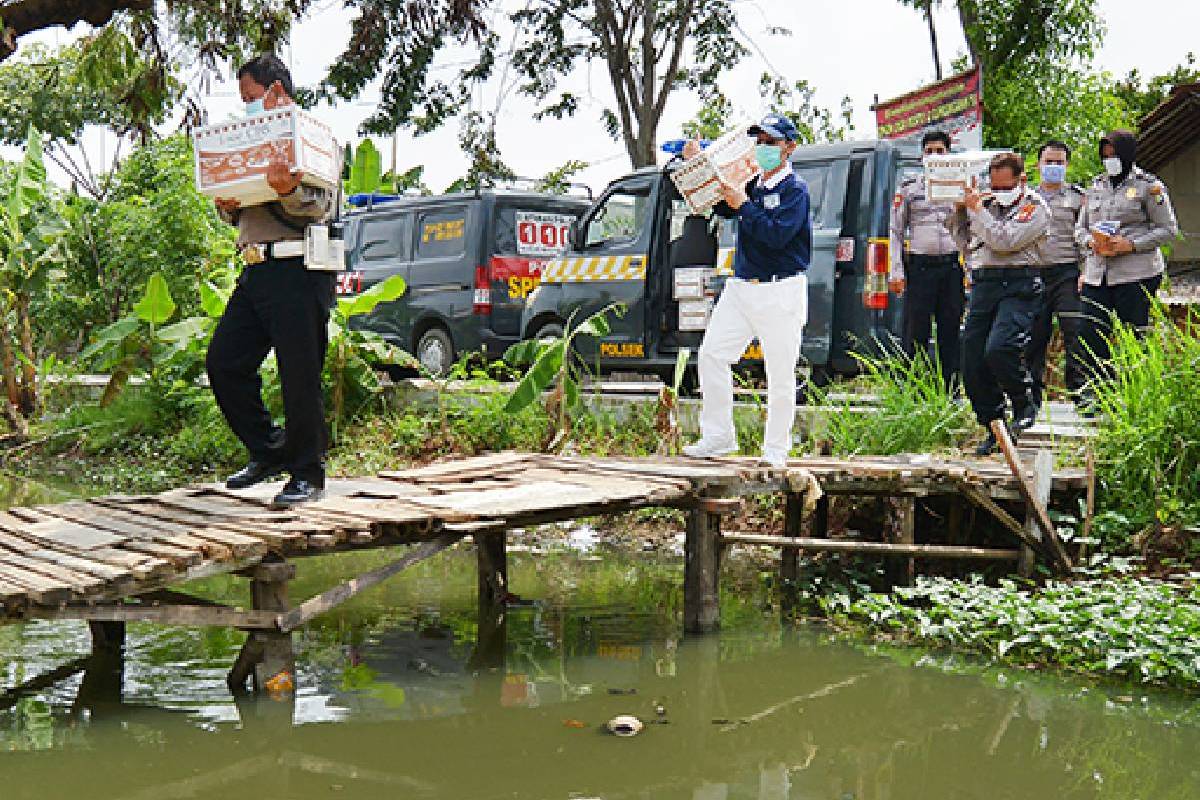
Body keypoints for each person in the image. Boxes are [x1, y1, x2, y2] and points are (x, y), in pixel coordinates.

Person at [205, 54, 337, 507]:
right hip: (256, 270)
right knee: (225, 363)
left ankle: (308, 474)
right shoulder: (247, 141)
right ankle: (269, 451)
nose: (247, 109)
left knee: (299, 375)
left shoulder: (313, 138)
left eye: (251, 99)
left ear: (277, 91)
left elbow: (321, 206)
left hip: (299, 269)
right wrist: (225, 203)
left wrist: (288, 190)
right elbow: (240, 212)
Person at [682, 113, 812, 469]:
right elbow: (722, 204)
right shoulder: (752, 183)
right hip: (742, 287)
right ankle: (718, 435)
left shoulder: (794, 191)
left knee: (780, 373)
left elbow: (776, 235)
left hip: (780, 289)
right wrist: (700, 165)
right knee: (712, 354)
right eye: (760, 141)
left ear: (789, 148)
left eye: (771, 142)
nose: (764, 148)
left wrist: (745, 206)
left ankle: (775, 450)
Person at [946, 152, 1050, 456]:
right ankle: (993, 424)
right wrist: (961, 212)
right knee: (971, 357)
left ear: (1022, 180)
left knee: (1001, 347)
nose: (1000, 193)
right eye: (996, 186)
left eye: (1007, 187)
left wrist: (977, 210)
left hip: (1019, 283)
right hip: (985, 282)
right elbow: (965, 242)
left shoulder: (1035, 207)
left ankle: (1023, 400)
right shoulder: (985, 204)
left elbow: (1004, 241)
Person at [1074, 130, 1178, 398]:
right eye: (1105, 156)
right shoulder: (1095, 186)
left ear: (1128, 154)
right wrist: (1090, 243)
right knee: (1089, 332)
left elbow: (1167, 230)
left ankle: (1135, 395)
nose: (1110, 160)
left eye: (1115, 155)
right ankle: (1098, 394)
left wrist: (1131, 244)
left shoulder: (1149, 186)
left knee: (1134, 336)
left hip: (1136, 274)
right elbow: (1080, 229)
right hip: (1098, 274)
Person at [889, 130, 963, 386]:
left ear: (949, 155)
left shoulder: (962, 187)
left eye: (939, 152)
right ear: (922, 156)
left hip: (952, 267)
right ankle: (908, 389)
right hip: (920, 268)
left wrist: (973, 270)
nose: (934, 156)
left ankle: (951, 390)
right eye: (929, 152)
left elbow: (973, 229)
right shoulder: (909, 188)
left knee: (950, 331)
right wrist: (896, 271)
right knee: (914, 333)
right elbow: (896, 231)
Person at [1027, 140, 1086, 407]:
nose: (1053, 167)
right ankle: (1030, 400)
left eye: (1059, 162)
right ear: (1038, 165)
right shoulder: (1025, 198)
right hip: (1033, 275)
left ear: (1067, 165)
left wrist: (1086, 272)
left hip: (1068, 275)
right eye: (1048, 162)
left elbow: (1086, 239)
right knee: (1033, 338)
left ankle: (1080, 395)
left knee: (1075, 333)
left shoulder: (1079, 198)